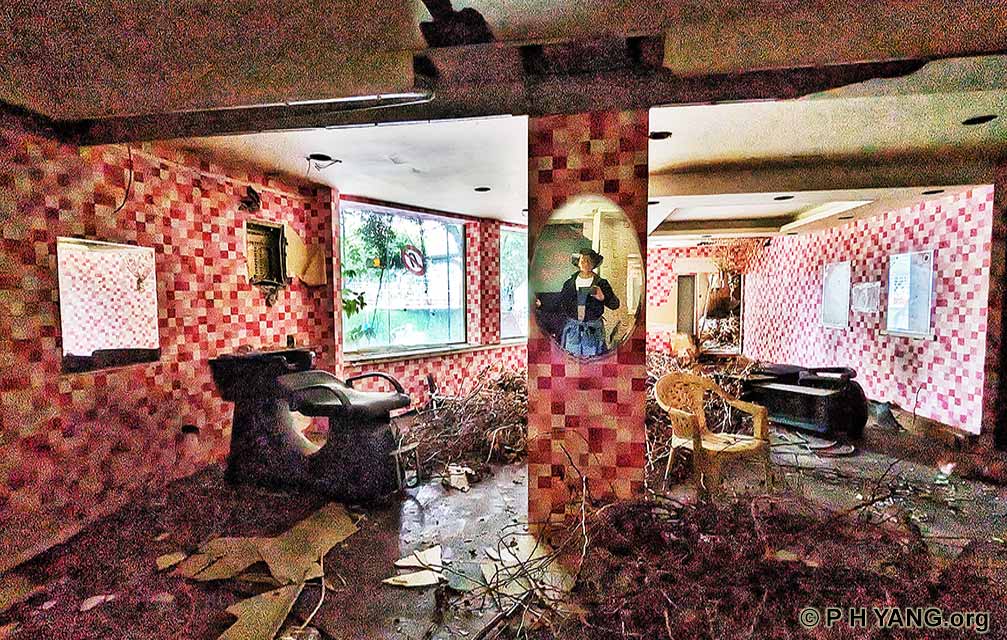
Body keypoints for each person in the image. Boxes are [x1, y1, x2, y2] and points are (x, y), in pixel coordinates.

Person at [536, 248, 620, 357]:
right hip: (573, 333)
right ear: (578, 262)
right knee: (572, 361)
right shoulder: (570, 283)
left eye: (589, 260)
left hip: (593, 333)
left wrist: (603, 297)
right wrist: (542, 303)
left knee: (594, 362)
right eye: (583, 260)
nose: (586, 263)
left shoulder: (601, 283)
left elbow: (615, 304)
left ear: (594, 263)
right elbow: (560, 300)